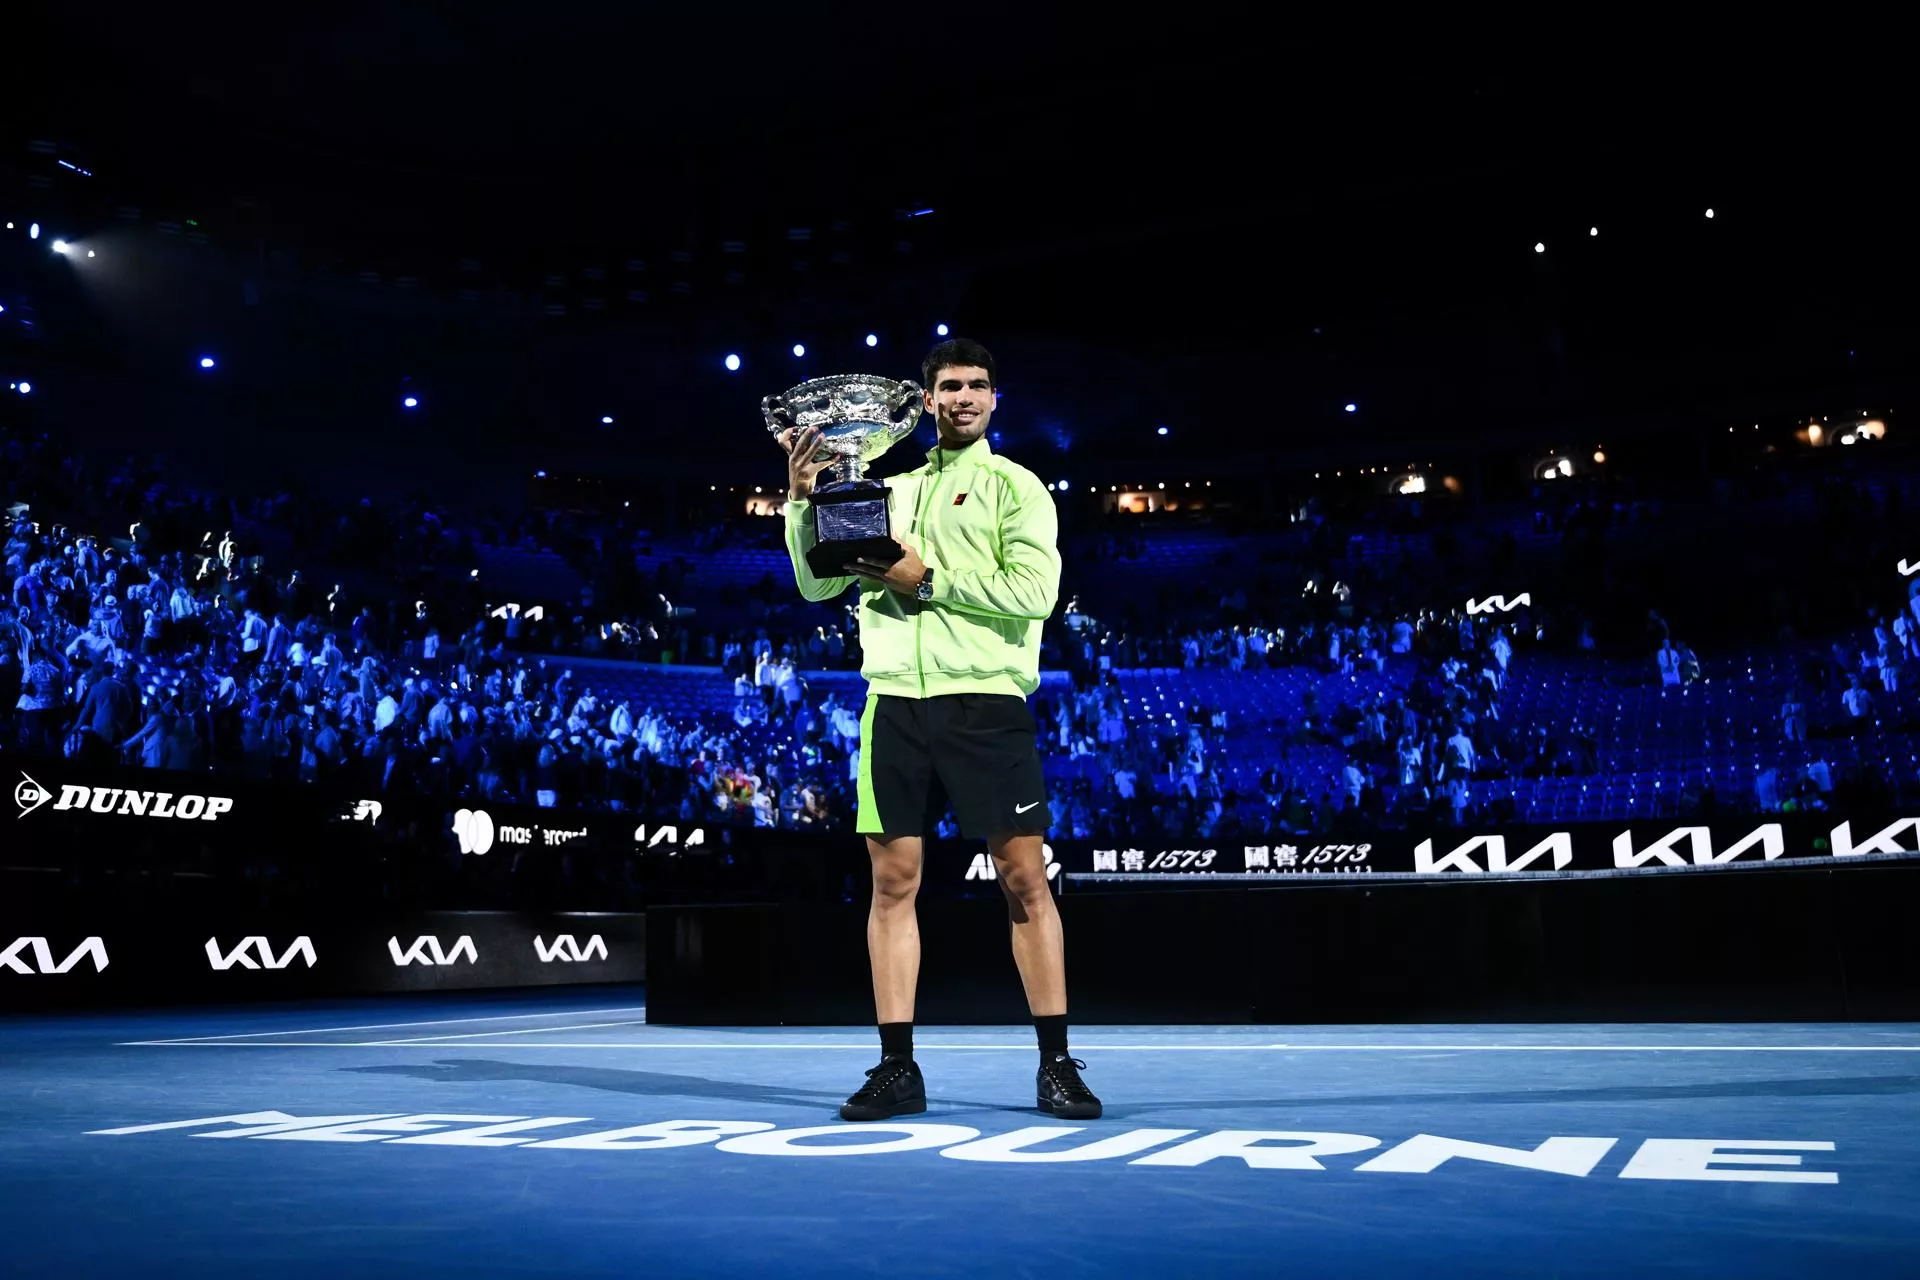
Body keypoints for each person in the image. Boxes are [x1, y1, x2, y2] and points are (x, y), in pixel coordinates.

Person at [777, 337, 1100, 1122]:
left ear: (994, 400)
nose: (963, 398)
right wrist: (802, 500)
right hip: (894, 703)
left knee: (1025, 883)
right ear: (924, 400)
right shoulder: (886, 488)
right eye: (949, 386)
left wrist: (929, 580)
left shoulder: (1017, 488)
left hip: (985, 702)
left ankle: (1056, 1062)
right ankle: (897, 1068)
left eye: (977, 386)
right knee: (892, 887)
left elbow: (1036, 591)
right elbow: (820, 583)